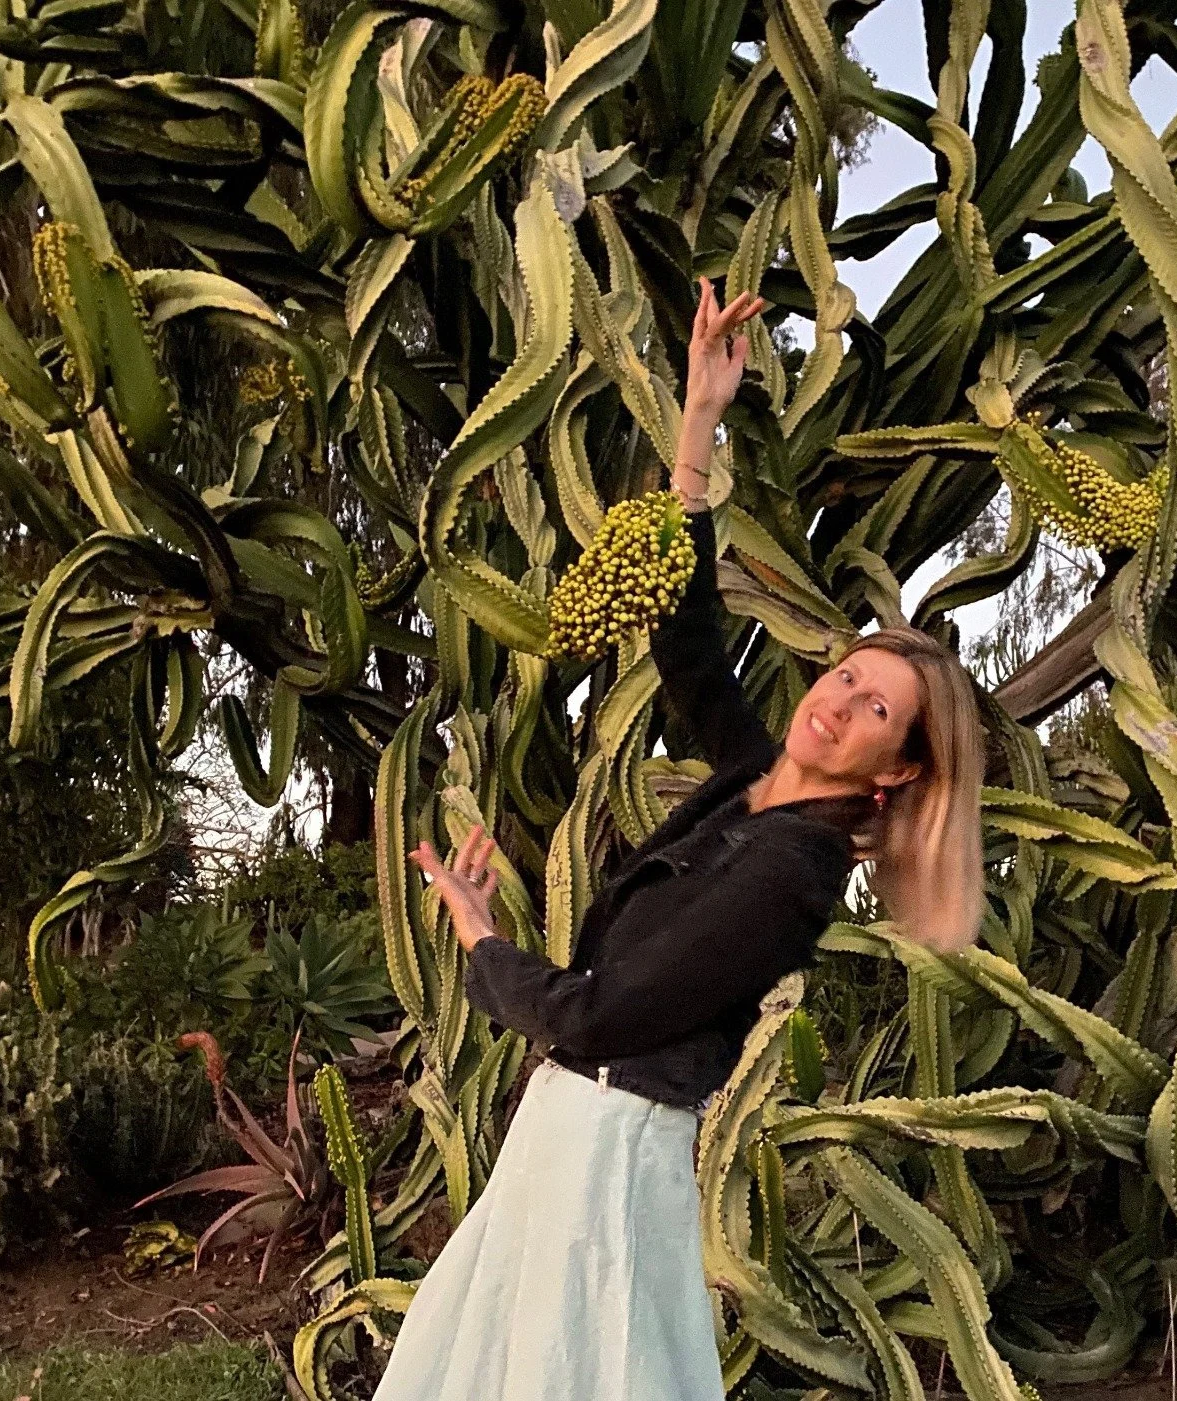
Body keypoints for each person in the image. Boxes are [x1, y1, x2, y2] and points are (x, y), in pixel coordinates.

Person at [370, 279, 986, 1401]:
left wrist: (479, 941)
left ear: (897, 769)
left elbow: (600, 1015)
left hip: (609, 1146)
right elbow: (691, 640)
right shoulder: (756, 785)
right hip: (570, 1122)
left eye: (877, 710)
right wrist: (698, 424)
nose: (839, 703)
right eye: (846, 675)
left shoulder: (793, 873)